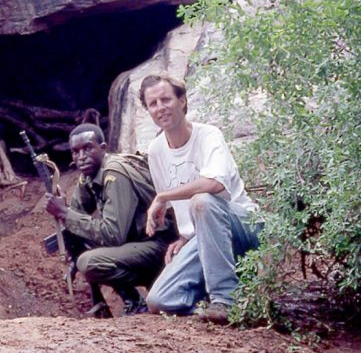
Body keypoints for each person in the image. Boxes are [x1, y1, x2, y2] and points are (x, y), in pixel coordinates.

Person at [139, 73, 260, 325]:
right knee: (160, 300)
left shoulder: (208, 135)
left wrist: (162, 196)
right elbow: (181, 208)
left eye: (166, 99)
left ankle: (226, 300)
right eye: (153, 103)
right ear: (148, 111)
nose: (160, 107)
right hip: (203, 236)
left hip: (244, 227)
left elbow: (214, 184)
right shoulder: (156, 150)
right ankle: (233, 302)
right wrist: (184, 237)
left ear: (182, 101)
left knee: (203, 200)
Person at [44, 123, 177, 317]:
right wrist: (65, 208)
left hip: (159, 247)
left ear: (103, 148)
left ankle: (135, 302)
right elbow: (77, 215)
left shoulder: (114, 174)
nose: (81, 157)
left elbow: (113, 235)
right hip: (137, 246)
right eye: (75, 152)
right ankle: (131, 299)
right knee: (77, 238)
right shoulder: (89, 175)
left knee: (90, 262)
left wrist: (65, 213)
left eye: (88, 148)